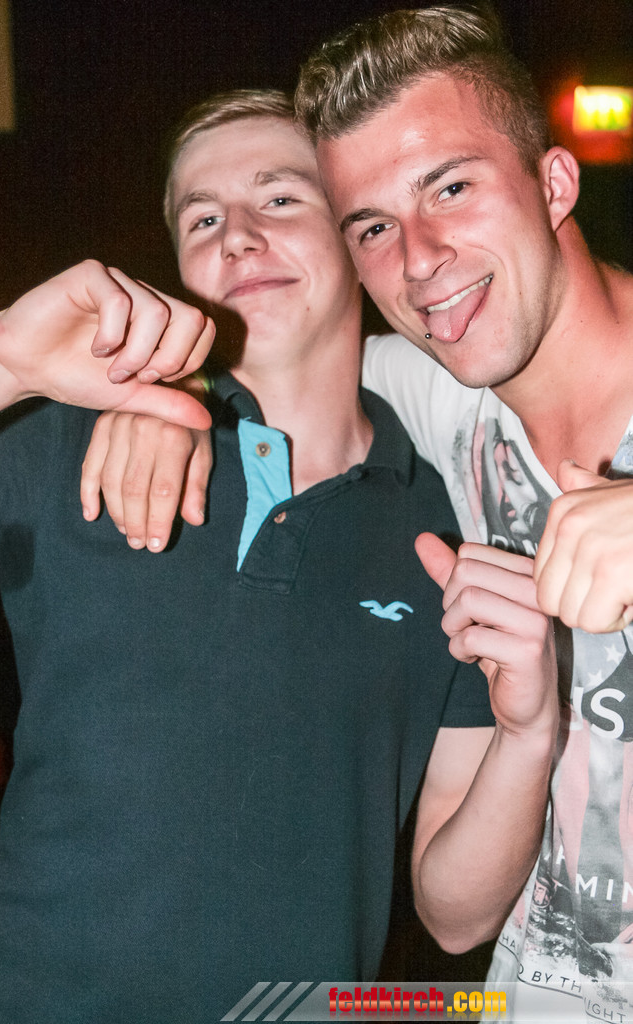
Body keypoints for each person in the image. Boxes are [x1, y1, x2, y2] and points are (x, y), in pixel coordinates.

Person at [0, 91, 556, 1023]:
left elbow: (455, 919)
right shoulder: (66, 440)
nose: (236, 236)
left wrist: (530, 732)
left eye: (279, 199)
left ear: (356, 236)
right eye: (202, 218)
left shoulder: (446, 523)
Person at [291, 4, 633, 1019]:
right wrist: (147, 408)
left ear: (554, 183)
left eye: (451, 187)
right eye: (373, 227)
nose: (419, 256)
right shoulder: (438, 396)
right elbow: (450, 921)